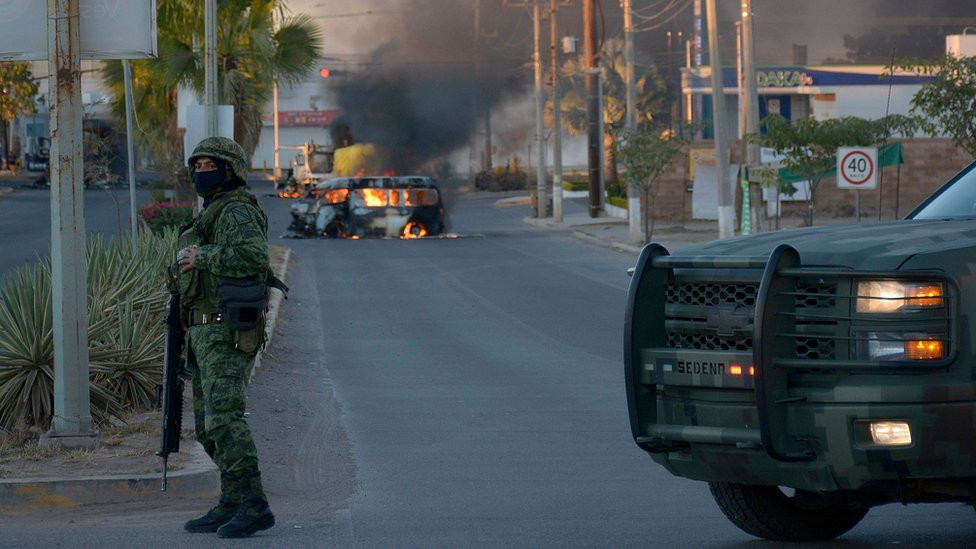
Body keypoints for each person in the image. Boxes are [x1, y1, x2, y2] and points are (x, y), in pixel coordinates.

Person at [174, 136, 275, 538]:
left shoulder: (235, 211)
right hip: (203, 328)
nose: (201, 172)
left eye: (208, 165)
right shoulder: (211, 211)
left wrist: (204, 256)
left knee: (225, 420)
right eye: (196, 166)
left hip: (227, 329)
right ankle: (231, 501)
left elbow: (255, 257)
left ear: (229, 170)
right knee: (207, 426)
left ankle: (255, 504)